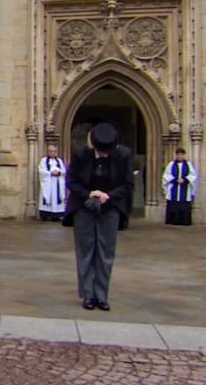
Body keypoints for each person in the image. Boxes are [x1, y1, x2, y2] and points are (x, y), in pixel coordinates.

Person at [63, 122, 133, 312]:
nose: (103, 155)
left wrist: (107, 196)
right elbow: (71, 180)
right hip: (84, 207)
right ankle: (88, 294)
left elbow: (127, 184)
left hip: (109, 207)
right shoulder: (80, 154)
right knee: (85, 251)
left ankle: (102, 295)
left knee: (105, 252)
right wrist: (88, 193)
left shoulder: (123, 156)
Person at [163, 148, 197, 225]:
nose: (180, 156)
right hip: (174, 187)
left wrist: (185, 179)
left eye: (181, 154)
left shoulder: (188, 164)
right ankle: (173, 221)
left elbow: (193, 175)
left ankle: (184, 221)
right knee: (173, 205)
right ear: (176, 155)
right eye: (178, 154)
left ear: (184, 155)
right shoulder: (171, 164)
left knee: (184, 205)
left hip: (184, 188)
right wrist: (175, 180)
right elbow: (166, 175)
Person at [38, 144, 66, 221]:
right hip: (48, 183)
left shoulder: (59, 161)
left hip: (57, 183)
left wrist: (59, 172)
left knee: (57, 197)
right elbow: (41, 171)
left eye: (54, 151)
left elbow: (64, 171)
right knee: (48, 196)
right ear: (48, 152)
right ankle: (46, 214)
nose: (53, 153)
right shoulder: (43, 161)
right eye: (51, 151)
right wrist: (50, 173)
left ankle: (57, 215)